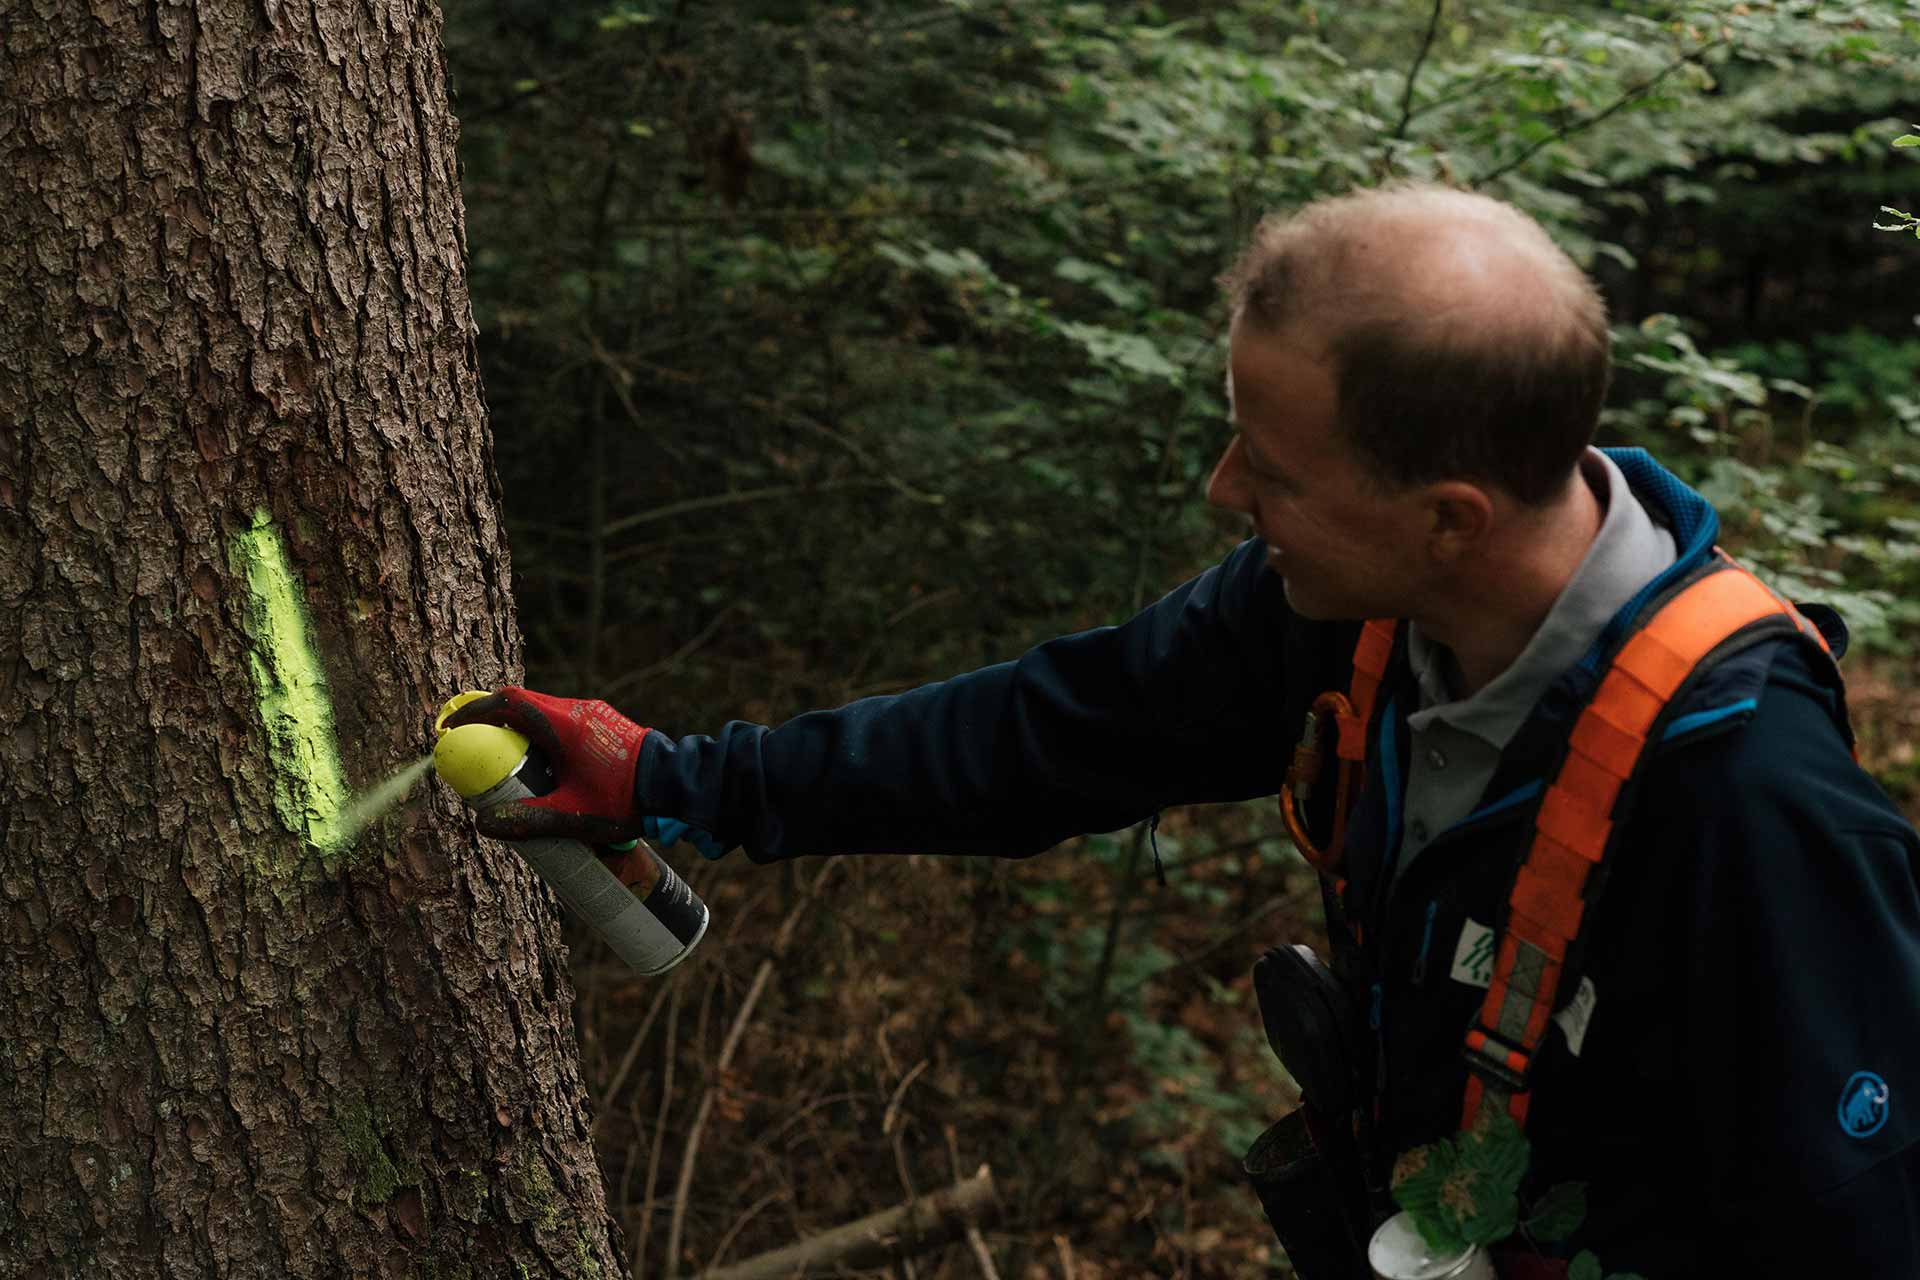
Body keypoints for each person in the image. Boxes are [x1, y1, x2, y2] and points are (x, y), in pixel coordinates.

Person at [448, 182, 1920, 1276]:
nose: (1226, 491)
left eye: (1269, 466)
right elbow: (1054, 730)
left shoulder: (1749, 807)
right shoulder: (1343, 608)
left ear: (1449, 518)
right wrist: (678, 778)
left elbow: (1848, 1231)